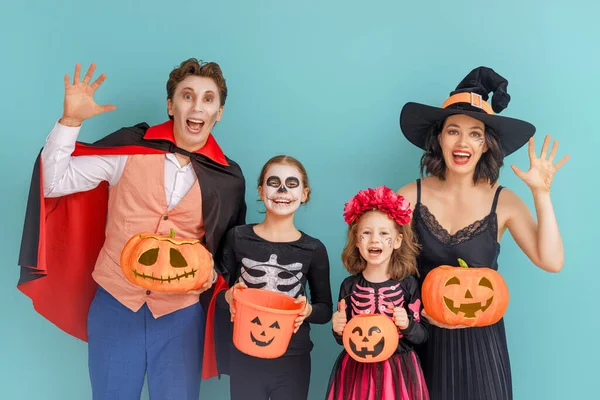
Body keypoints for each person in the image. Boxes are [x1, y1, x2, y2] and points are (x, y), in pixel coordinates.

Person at [17, 59, 247, 399]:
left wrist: (210, 276)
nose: (197, 106)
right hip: (115, 306)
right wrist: (70, 121)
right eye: (187, 96)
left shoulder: (228, 178)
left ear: (219, 112)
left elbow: (229, 253)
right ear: (171, 106)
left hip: (180, 318)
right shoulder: (129, 150)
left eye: (208, 99)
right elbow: (52, 184)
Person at [396, 66, 569, 400]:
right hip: (418, 339)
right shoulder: (407, 197)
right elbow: (382, 267)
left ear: (487, 144)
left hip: (481, 346)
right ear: (439, 138)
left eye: (476, 133)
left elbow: (552, 261)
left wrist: (540, 193)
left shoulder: (503, 201)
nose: (464, 142)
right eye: (453, 131)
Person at [217, 155, 333, 400]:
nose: (282, 190)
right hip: (244, 355)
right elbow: (216, 296)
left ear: (304, 194)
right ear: (261, 190)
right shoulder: (237, 237)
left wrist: (308, 310)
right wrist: (228, 296)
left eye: (292, 184)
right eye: (274, 182)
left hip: (293, 358)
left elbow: (325, 310)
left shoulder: (313, 249)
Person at [326, 186, 429, 400]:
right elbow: (344, 338)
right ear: (356, 240)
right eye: (366, 233)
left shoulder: (408, 285)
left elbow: (422, 336)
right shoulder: (349, 286)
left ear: (398, 240)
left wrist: (407, 324)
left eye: (384, 234)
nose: (375, 240)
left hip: (398, 370)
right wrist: (338, 330)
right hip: (357, 372)